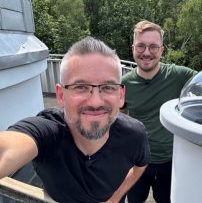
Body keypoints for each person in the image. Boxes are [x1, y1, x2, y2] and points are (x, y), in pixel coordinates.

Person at [0, 37, 150, 203]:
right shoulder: (47, 133)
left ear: (120, 96)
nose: (95, 102)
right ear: (60, 95)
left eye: (108, 87)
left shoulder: (135, 134)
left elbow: (140, 165)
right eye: (80, 87)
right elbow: (8, 147)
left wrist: (114, 199)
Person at [122, 20, 202, 203]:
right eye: (141, 46)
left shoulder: (178, 76)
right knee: (135, 200)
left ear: (162, 50)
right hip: (137, 161)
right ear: (133, 48)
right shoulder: (125, 83)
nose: (146, 52)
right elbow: (119, 116)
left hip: (171, 161)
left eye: (153, 47)